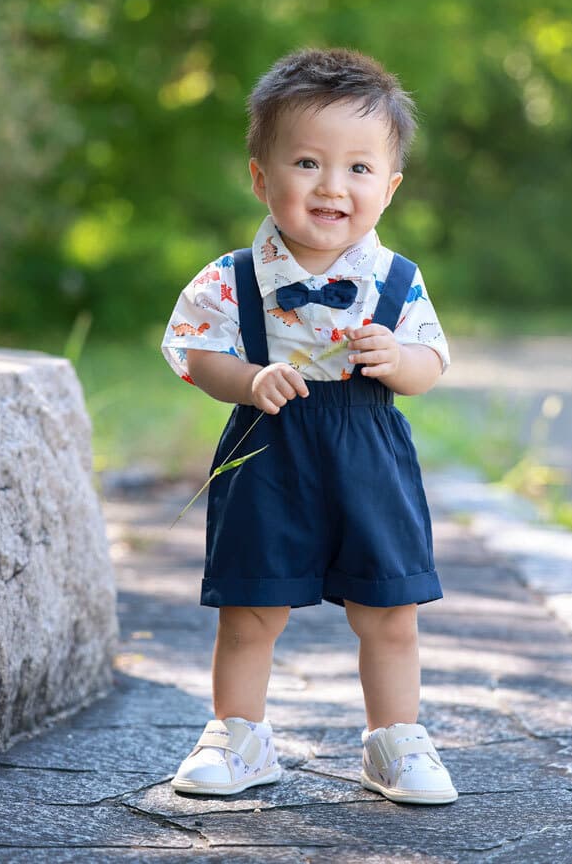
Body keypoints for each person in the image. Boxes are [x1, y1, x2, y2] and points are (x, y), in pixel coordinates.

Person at [161, 47, 457, 805]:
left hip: (368, 449)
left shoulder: (397, 281)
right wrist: (249, 378)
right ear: (263, 177)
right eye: (306, 162)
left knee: (388, 608)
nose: (333, 185)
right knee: (251, 606)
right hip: (270, 447)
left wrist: (398, 359)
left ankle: (395, 740)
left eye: (359, 169)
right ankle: (239, 734)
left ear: (388, 188)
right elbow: (191, 350)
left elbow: (432, 360)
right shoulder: (234, 276)